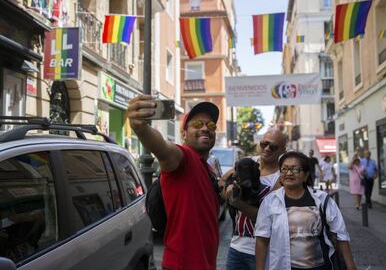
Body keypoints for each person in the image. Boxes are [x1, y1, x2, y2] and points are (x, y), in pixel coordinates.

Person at [128, 95, 220, 270]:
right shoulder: (183, 156)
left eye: (211, 125)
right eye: (198, 124)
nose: (206, 128)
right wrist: (141, 129)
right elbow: (162, 148)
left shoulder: (208, 169)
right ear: (184, 134)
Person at [255, 151, 356, 270]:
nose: (288, 173)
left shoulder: (323, 200)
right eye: (284, 169)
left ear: (306, 175)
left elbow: (341, 236)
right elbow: (261, 239)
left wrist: (351, 266)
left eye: (295, 169)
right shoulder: (269, 202)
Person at [220, 129, 287, 270]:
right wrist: (228, 189)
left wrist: (238, 203)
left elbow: (267, 218)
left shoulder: (282, 176)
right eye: (264, 144)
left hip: (263, 250)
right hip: (236, 247)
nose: (267, 149)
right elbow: (222, 183)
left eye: (273, 147)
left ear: (282, 150)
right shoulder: (248, 162)